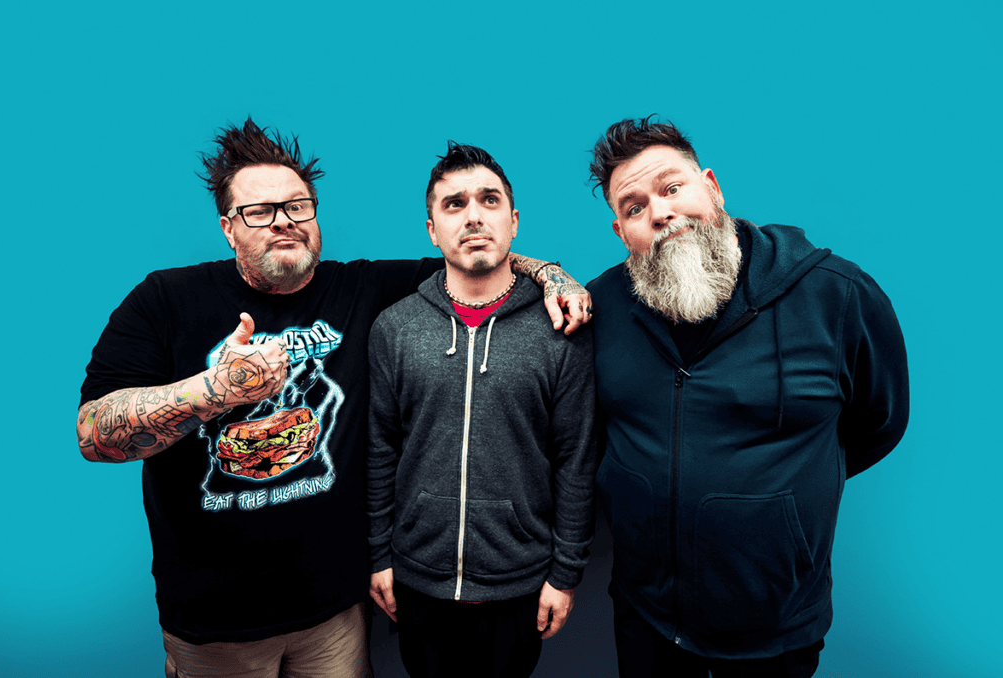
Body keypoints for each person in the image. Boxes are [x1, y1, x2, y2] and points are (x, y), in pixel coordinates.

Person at [75, 118, 591, 678]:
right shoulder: (166, 299)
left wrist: (553, 275)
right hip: (215, 623)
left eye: (297, 205)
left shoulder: (364, 290)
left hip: (335, 615)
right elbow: (94, 435)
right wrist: (212, 391)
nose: (283, 221)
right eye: (259, 211)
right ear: (228, 227)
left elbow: (475, 260)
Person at [585, 117, 909, 678]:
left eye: (671, 187)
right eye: (635, 207)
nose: (660, 212)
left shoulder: (835, 295)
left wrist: (779, 502)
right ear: (621, 232)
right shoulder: (603, 306)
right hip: (646, 612)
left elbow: (880, 421)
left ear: (711, 186)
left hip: (777, 623)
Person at [366, 143, 598, 678]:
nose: (473, 216)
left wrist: (565, 573)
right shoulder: (395, 328)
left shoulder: (561, 330)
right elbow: (380, 450)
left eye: (489, 200)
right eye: (455, 204)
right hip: (417, 578)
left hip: (520, 582)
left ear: (513, 222)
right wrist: (379, 555)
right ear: (432, 230)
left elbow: (576, 460)